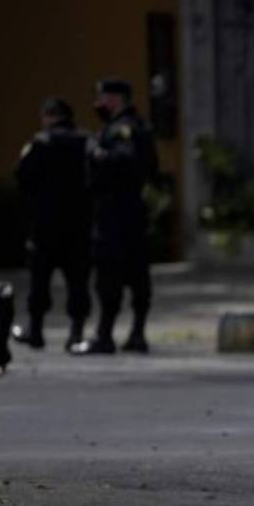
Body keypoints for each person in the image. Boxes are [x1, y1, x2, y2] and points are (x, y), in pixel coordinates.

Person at [71, 77, 158, 355]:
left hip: (114, 214)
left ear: (116, 99)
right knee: (137, 274)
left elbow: (124, 160)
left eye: (101, 98)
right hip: (132, 212)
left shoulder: (123, 129)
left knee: (110, 275)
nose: (97, 104)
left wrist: (96, 153)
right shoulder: (140, 127)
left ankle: (105, 335)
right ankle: (136, 334)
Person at [11, 97, 91, 351]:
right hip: (79, 223)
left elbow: (21, 176)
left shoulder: (40, 142)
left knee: (39, 281)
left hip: (45, 224)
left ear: (48, 116)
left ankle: (36, 332)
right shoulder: (86, 141)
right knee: (78, 280)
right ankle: (76, 333)